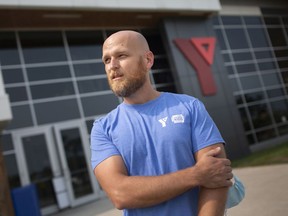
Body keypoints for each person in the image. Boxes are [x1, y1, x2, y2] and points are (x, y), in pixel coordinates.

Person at [90, 30, 233, 216]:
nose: (112, 66)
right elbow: (120, 194)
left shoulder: (189, 107)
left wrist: (206, 174)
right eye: (107, 60)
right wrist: (196, 175)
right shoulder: (103, 129)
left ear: (148, 60)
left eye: (121, 56)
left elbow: (217, 176)